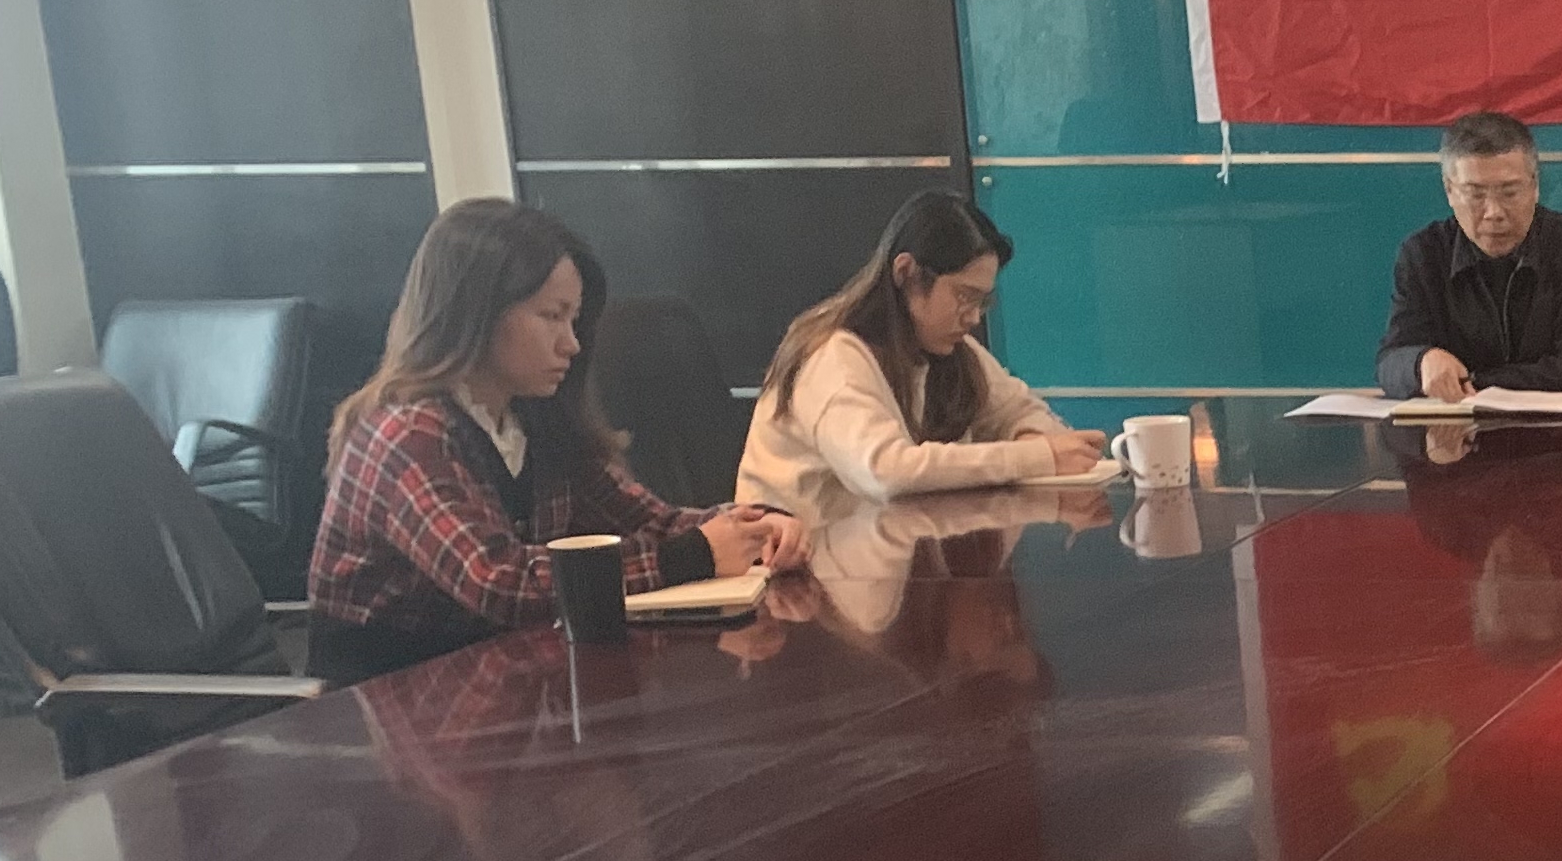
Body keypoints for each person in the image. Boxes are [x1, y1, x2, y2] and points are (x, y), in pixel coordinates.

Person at [311, 200, 807, 686]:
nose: (571, 343)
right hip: (393, 696)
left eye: (574, 321)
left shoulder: (532, 417)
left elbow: (649, 520)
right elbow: (500, 583)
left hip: (501, 677)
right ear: (476, 314)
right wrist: (694, 554)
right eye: (552, 316)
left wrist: (754, 526)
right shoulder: (406, 433)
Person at [737, 191, 1102, 522]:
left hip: (886, 551)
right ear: (906, 273)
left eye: (983, 301)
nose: (974, 317)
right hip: (797, 563)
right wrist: (1034, 457)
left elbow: (1019, 411)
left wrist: (1030, 437)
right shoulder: (832, 356)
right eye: (964, 296)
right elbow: (885, 472)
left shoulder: (949, 348)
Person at [1376, 112, 1562, 402]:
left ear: (1535, 186)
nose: (1494, 212)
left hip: (1557, 429)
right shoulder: (1423, 255)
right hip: (1454, 429)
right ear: (1449, 191)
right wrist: (1420, 363)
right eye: (1476, 194)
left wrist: (1472, 381)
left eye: (1509, 192)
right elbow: (1390, 362)